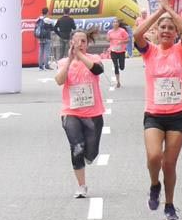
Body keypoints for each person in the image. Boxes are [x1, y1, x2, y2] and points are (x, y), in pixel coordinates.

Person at [133, 0, 182, 220]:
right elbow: (137, 34)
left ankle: (169, 205)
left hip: (178, 115)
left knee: (169, 163)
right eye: (163, 28)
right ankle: (154, 185)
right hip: (154, 114)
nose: (167, 31)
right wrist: (159, 12)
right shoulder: (149, 51)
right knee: (154, 157)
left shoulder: (181, 50)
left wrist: (169, 9)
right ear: (157, 31)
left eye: (170, 28)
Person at [55, 30, 106, 199]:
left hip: (93, 113)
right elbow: (59, 81)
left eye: (83, 41)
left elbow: (97, 71)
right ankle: (81, 186)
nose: (79, 45)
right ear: (70, 43)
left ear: (87, 44)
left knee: (91, 153)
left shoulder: (94, 59)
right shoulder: (63, 62)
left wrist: (80, 55)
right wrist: (70, 59)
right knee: (76, 147)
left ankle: (89, 155)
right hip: (71, 111)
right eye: (76, 42)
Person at [107, 19, 129, 88]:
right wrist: (108, 38)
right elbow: (107, 39)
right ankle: (118, 82)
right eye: (114, 22)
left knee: (122, 67)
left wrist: (121, 42)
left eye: (116, 22)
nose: (115, 23)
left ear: (118, 24)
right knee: (116, 65)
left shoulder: (122, 31)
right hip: (113, 51)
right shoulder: (110, 32)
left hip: (121, 51)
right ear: (112, 24)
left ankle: (121, 66)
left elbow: (128, 40)